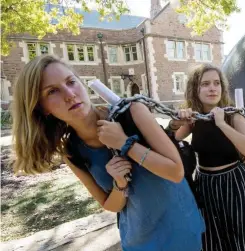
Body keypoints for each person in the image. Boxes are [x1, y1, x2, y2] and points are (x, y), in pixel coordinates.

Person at [11, 55, 205, 251]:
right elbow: (110, 205)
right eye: (52, 91)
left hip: (181, 233)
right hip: (138, 242)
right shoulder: (71, 151)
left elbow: (175, 172)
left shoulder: (133, 112)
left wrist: (125, 144)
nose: (70, 94)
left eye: (71, 82)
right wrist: (119, 184)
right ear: (41, 108)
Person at [167, 64, 245, 251]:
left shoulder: (234, 116)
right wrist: (175, 123)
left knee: (238, 236)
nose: (212, 88)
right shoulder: (195, 119)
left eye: (217, 83)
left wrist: (222, 124)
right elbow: (168, 141)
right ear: (196, 89)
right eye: (206, 84)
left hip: (233, 183)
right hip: (205, 184)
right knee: (210, 239)